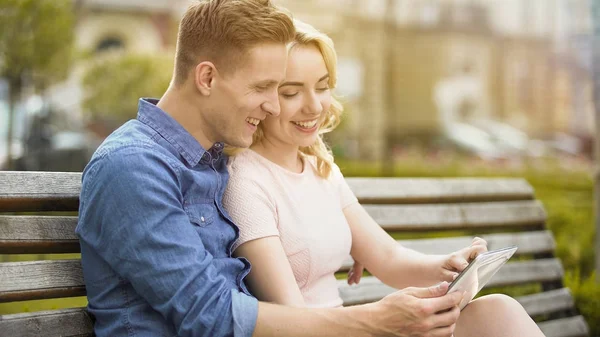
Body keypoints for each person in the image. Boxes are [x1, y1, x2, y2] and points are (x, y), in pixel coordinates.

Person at [76, 1, 468, 336]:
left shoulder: (210, 160)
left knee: (491, 314)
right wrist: (373, 320)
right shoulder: (133, 168)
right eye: (264, 88)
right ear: (207, 77)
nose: (274, 106)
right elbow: (209, 315)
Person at [222, 20, 547, 337]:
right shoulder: (246, 183)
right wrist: (384, 320)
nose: (314, 106)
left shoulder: (321, 169)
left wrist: (449, 265)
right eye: (292, 92)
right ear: (262, 95)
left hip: (361, 327)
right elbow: (292, 321)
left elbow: (388, 258)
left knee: (499, 312)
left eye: (322, 87)